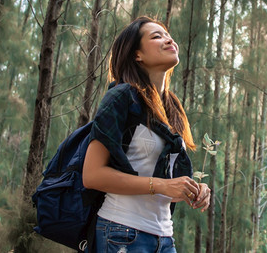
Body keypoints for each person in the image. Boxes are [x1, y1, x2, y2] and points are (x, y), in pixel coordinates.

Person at [83, 16, 211, 253]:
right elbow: (92, 175)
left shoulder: (173, 109)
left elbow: (163, 186)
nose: (168, 39)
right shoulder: (122, 97)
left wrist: (191, 191)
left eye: (167, 34)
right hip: (122, 232)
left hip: (164, 238)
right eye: (156, 36)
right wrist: (162, 185)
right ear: (137, 55)